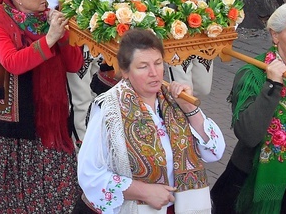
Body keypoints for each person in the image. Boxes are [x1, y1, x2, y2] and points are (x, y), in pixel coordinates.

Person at [0, 0, 83, 212]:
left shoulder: (49, 18)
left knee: (58, 194)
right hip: (14, 127)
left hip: (52, 122)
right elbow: (13, 63)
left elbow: (74, 64)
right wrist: (50, 39)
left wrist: (62, 36)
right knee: (12, 196)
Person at [77, 29, 225, 214]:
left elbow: (215, 151)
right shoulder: (110, 109)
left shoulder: (173, 100)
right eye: (143, 66)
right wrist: (145, 192)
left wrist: (189, 108)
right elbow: (89, 175)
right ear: (125, 71)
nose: (154, 73)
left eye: (158, 63)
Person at [211, 2, 286, 214]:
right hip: (254, 185)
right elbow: (248, 134)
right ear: (275, 35)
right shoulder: (253, 75)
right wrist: (272, 85)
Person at [44, 0, 105, 142]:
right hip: (73, 45)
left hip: (105, 44)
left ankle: (103, 142)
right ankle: (84, 148)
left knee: (104, 95)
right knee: (81, 99)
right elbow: (47, 9)